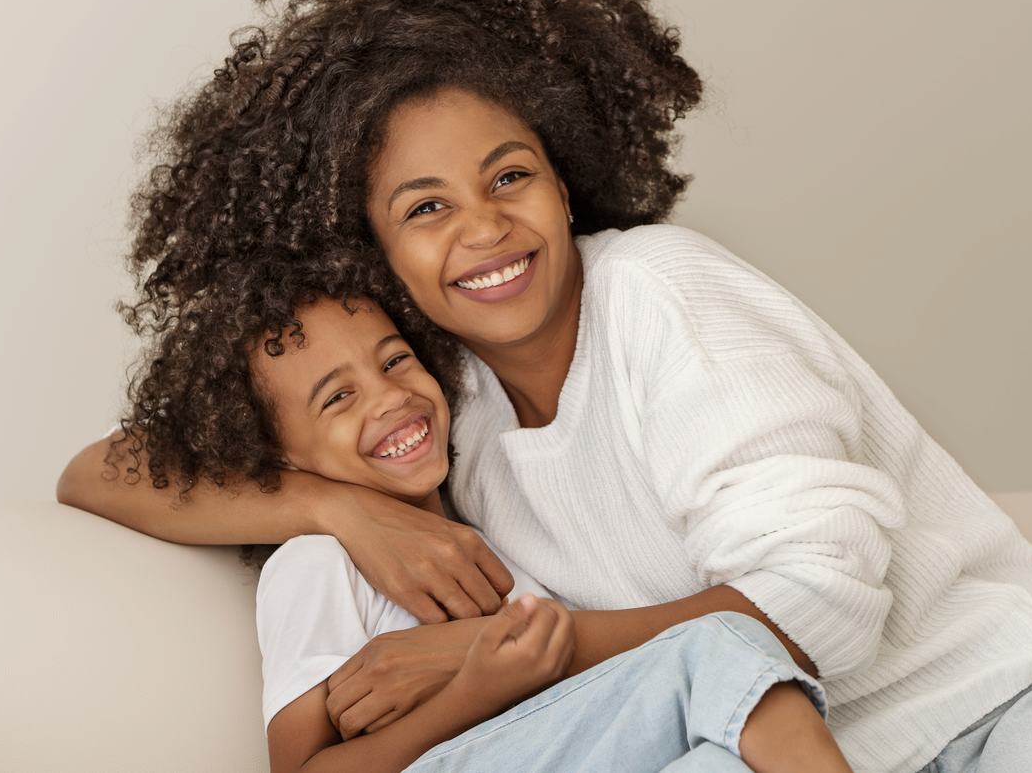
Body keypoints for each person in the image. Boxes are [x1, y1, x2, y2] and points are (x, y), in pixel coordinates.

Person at [58, 0, 1032, 771]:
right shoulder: (439, 397)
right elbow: (98, 470)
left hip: (1001, 708)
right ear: (372, 258)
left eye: (509, 176)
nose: (484, 227)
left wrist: (511, 655)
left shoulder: (659, 292)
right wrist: (338, 510)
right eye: (424, 209)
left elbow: (822, 608)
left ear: (564, 178)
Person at [117, 248, 847, 772]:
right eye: (337, 398)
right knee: (720, 645)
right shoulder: (317, 564)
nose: (389, 397)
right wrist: (474, 689)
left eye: (394, 359)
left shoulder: (491, 529)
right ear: (282, 460)